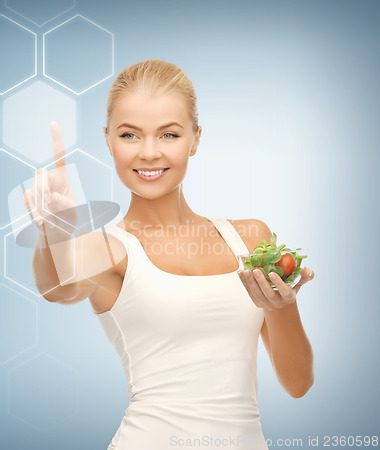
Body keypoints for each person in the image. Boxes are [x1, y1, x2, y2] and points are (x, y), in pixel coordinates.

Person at [23, 59, 315, 450]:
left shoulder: (249, 238)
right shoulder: (107, 250)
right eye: (129, 135)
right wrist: (52, 232)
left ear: (195, 139)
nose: (148, 153)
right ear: (107, 140)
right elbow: (54, 287)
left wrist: (282, 307)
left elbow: (298, 384)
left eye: (169, 135)